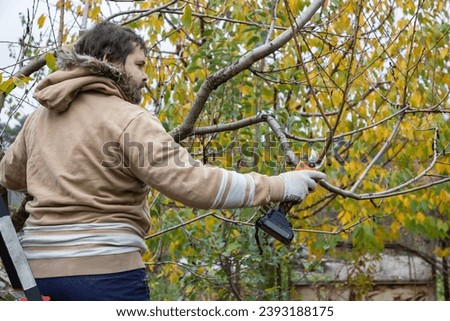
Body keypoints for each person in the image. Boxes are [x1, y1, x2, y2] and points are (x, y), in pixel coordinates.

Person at [0, 22, 326, 301]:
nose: (145, 78)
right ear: (109, 60)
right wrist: (277, 185)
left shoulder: (37, 120)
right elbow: (192, 183)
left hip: (35, 277)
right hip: (104, 276)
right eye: (139, 65)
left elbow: (10, 175)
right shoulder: (128, 119)